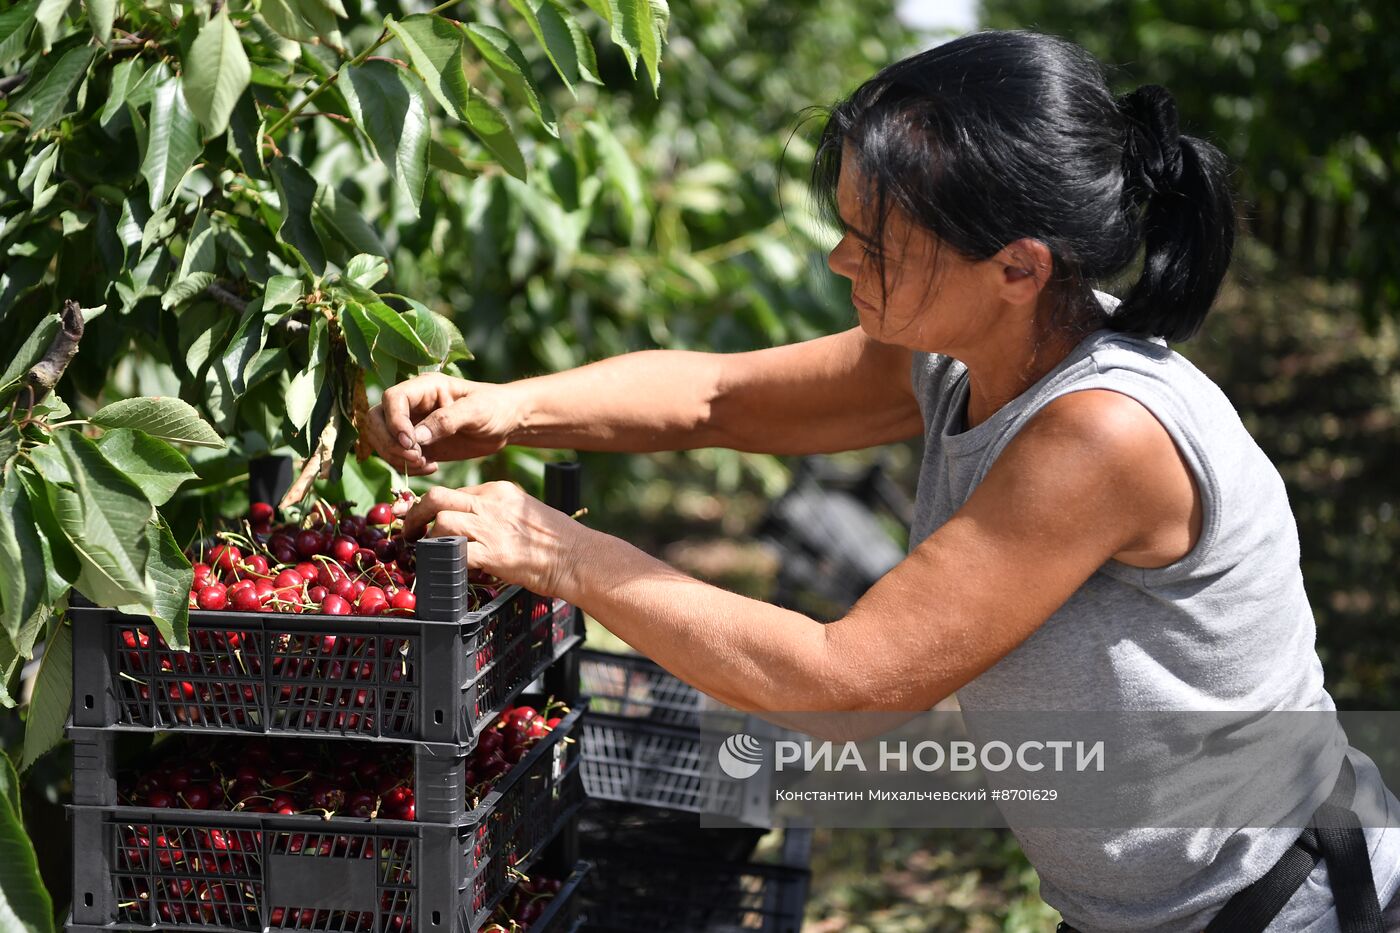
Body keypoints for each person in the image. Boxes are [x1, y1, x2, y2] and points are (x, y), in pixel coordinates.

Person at [363, 30, 1400, 932]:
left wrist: (561, 552)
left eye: (873, 242)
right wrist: (509, 403)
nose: (834, 259)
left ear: (1016, 266)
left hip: (1287, 903)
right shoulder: (971, 352)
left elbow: (844, 685)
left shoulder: (1101, 432)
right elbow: (720, 398)